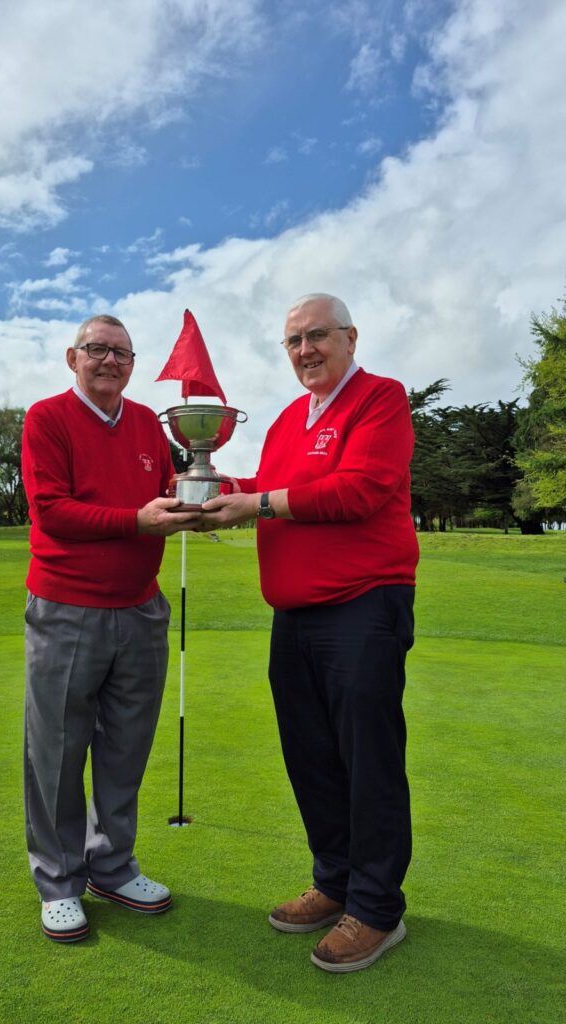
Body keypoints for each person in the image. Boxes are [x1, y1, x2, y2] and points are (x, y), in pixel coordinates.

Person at [201, 293, 419, 973]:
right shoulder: (289, 420)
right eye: (292, 341)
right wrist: (209, 486)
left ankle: (378, 909)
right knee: (312, 756)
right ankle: (335, 883)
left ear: (351, 337)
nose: (304, 351)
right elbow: (267, 486)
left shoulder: (380, 399)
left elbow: (360, 489)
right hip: (293, 614)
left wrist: (256, 502)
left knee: (367, 759)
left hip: (363, 604)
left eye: (317, 336)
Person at [21, 314, 199, 943]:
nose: (110, 361)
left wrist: (197, 496)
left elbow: (163, 492)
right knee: (59, 752)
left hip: (141, 608)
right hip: (68, 608)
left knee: (126, 747)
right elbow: (51, 510)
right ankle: (60, 881)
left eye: (122, 352)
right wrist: (137, 521)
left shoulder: (150, 421)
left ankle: (112, 867)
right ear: (73, 357)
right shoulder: (47, 418)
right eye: (96, 349)